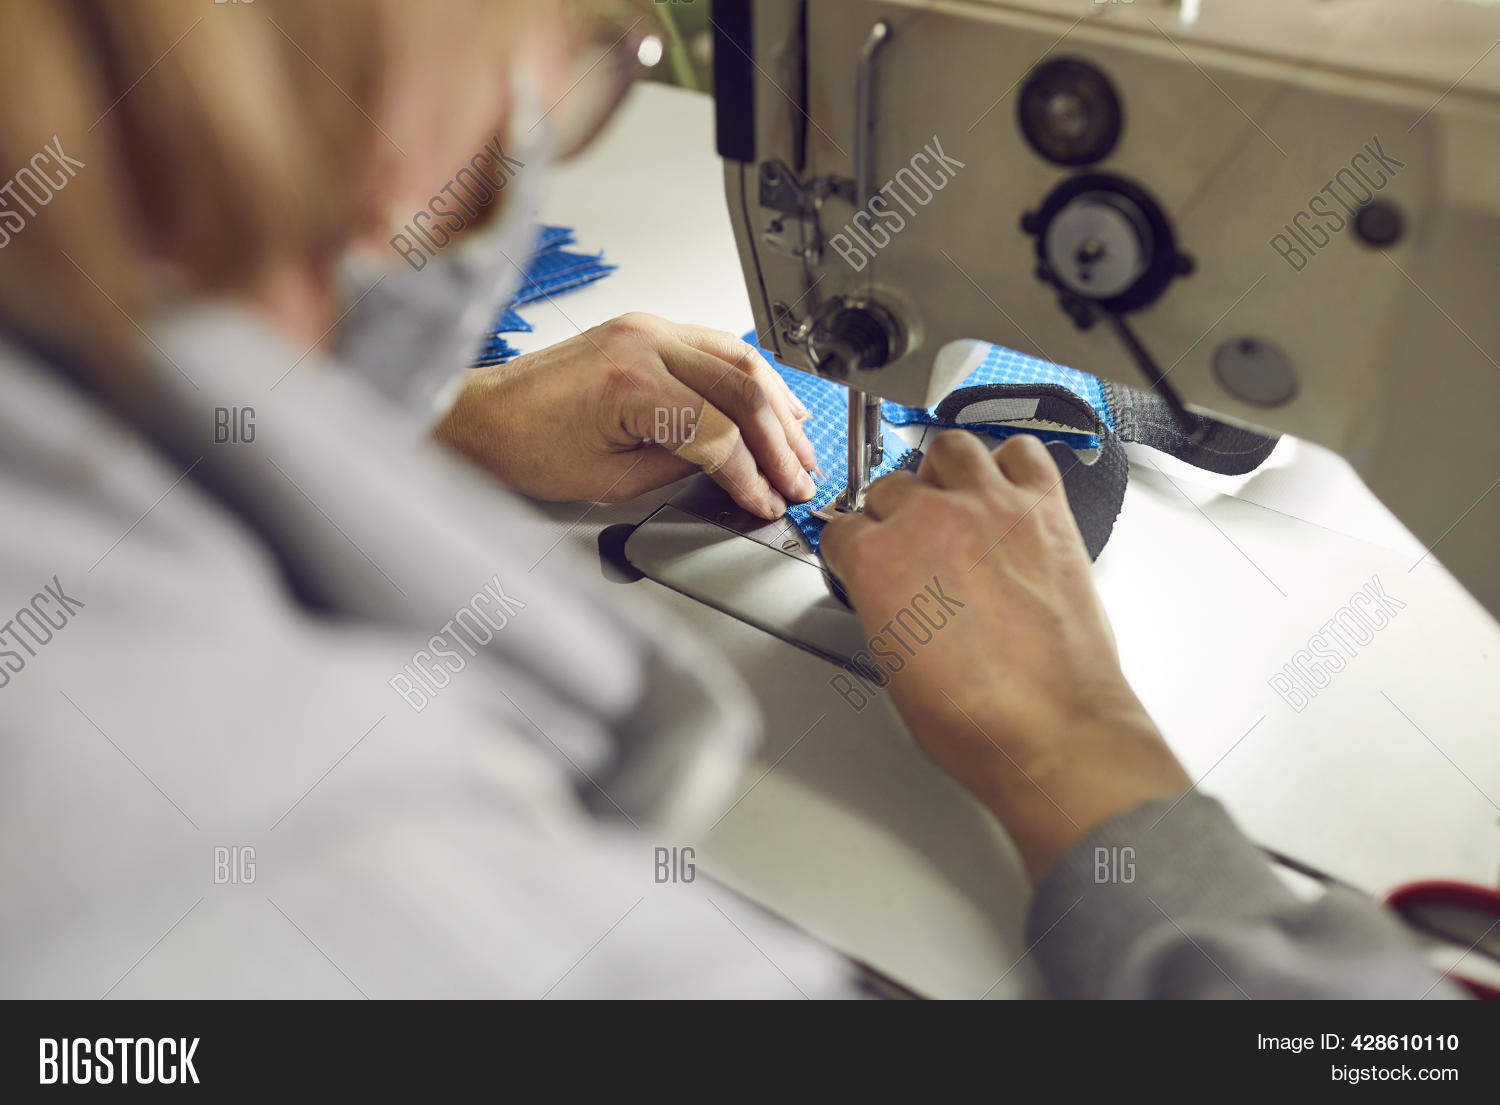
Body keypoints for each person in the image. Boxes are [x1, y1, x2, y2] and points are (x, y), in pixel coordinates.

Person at [0, 0, 1455, 999]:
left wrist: (425, 429)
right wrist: (1084, 759)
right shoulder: (419, 910)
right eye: (585, 50)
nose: (547, 101)